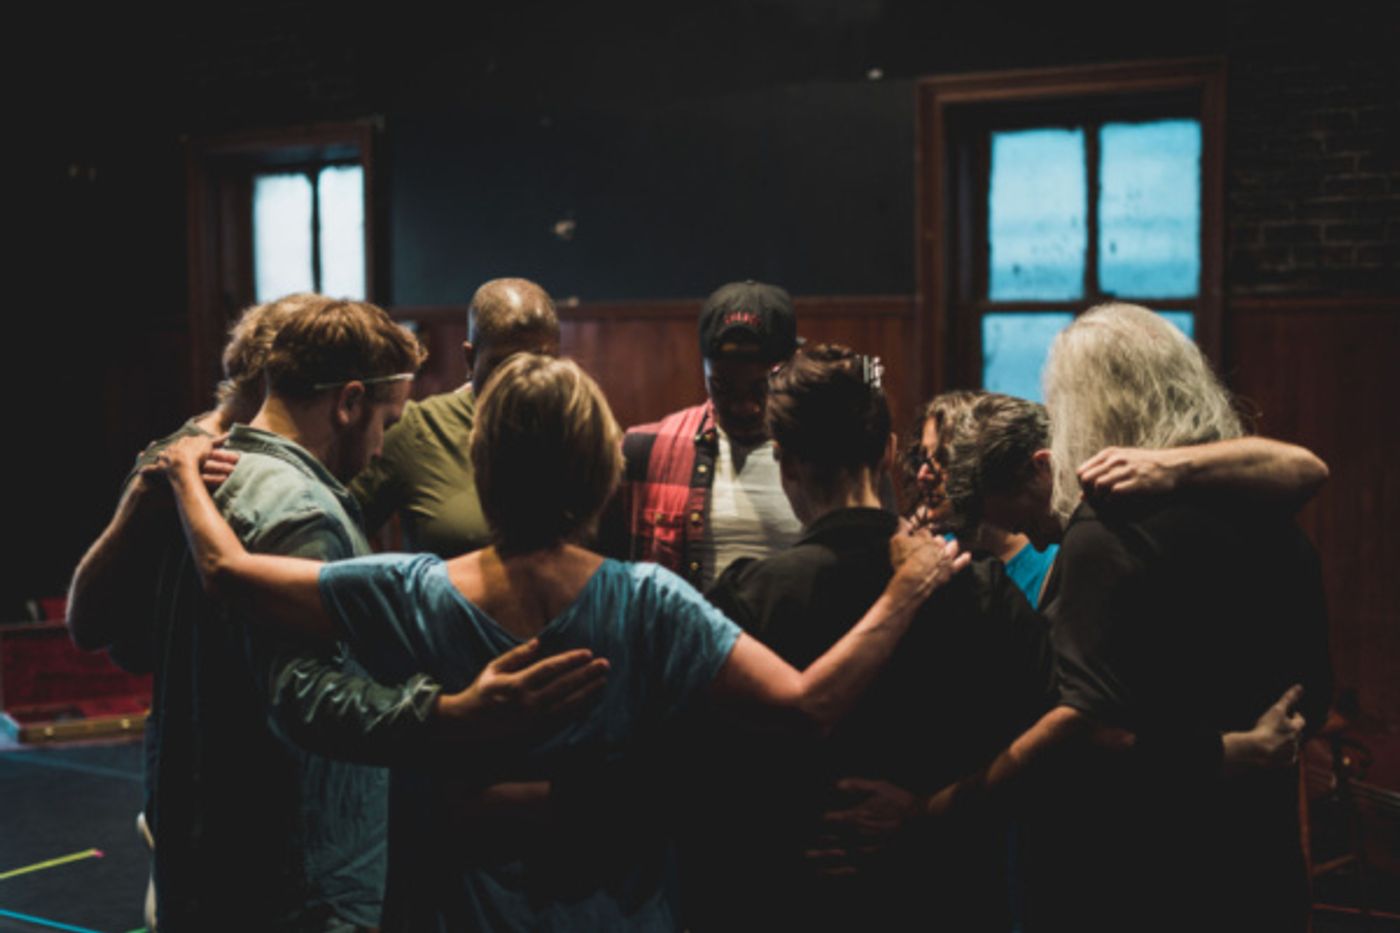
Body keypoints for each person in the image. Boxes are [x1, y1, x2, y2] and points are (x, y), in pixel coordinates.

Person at [148, 352, 968, 931]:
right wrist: (904, 590)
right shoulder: (647, 600)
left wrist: (187, 474)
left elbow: (227, 573)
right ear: (600, 466)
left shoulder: (415, 590)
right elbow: (807, 703)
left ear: (481, 461)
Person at [925, 304, 1333, 932]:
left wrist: (936, 810)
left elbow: (1091, 735)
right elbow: (1312, 693)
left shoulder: (1106, 531)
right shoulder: (1272, 516)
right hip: (1256, 862)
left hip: (1142, 872)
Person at [680, 346, 1054, 932]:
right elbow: (1045, 752)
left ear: (785, 462)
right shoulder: (979, 590)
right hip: (948, 893)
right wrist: (931, 811)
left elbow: (705, 781)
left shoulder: (748, 599)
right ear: (885, 452)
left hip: (791, 898)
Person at [606, 280, 804, 589]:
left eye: (760, 388)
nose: (743, 407)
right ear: (704, 368)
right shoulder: (645, 451)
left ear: (792, 365)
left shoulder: (827, 452)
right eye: (723, 388)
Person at [350, 277, 561, 556]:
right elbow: (338, 532)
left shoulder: (580, 427)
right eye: (502, 364)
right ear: (470, 359)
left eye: (538, 361)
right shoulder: (419, 430)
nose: (519, 378)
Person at [906, 389, 1059, 606]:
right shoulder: (936, 554)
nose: (923, 474)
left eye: (941, 457)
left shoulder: (1049, 553)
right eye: (923, 457)